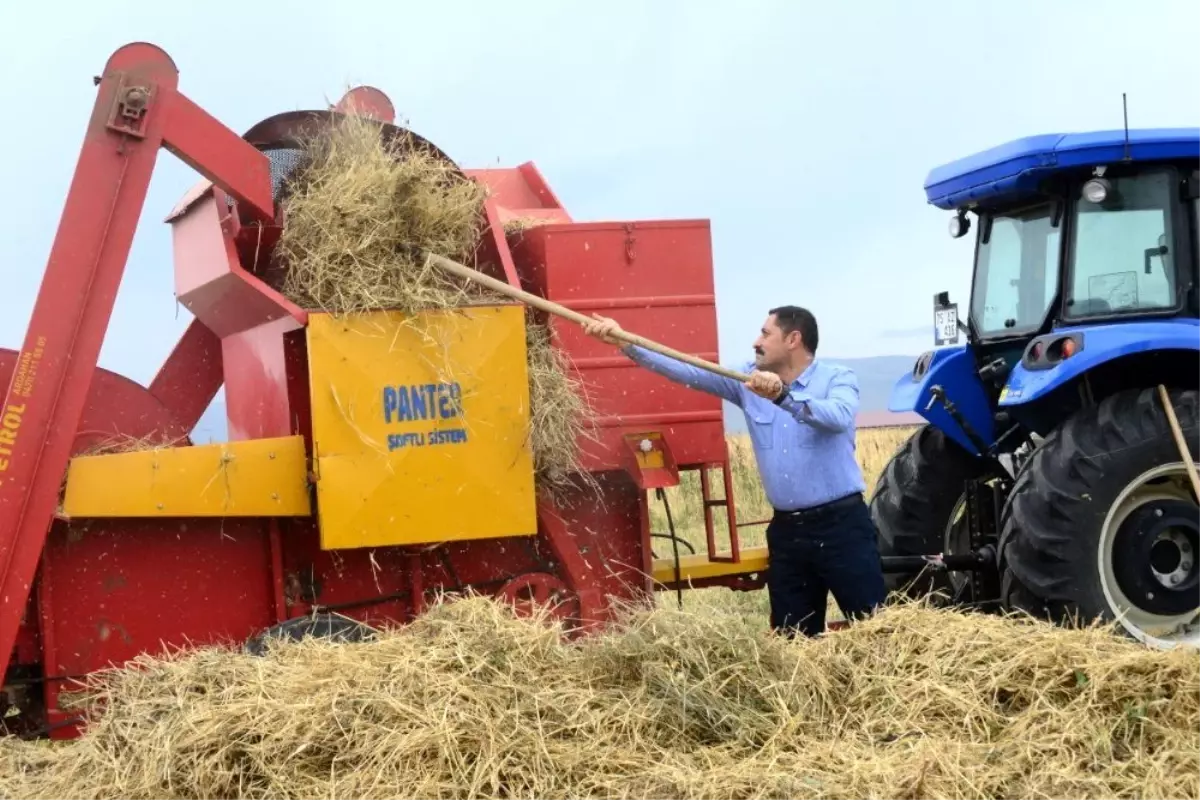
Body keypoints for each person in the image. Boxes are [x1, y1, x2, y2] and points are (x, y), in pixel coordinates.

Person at [581, 305, 887, 637]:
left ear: (793, 339)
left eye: (766, 334)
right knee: (795, 640)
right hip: (788, 532)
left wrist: (784, 397)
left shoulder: (838, 378)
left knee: (872, 628)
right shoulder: (746, 381)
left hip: (841, 527)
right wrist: (626, 343)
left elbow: (838, 417)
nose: (757, 342)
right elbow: (689, 370)